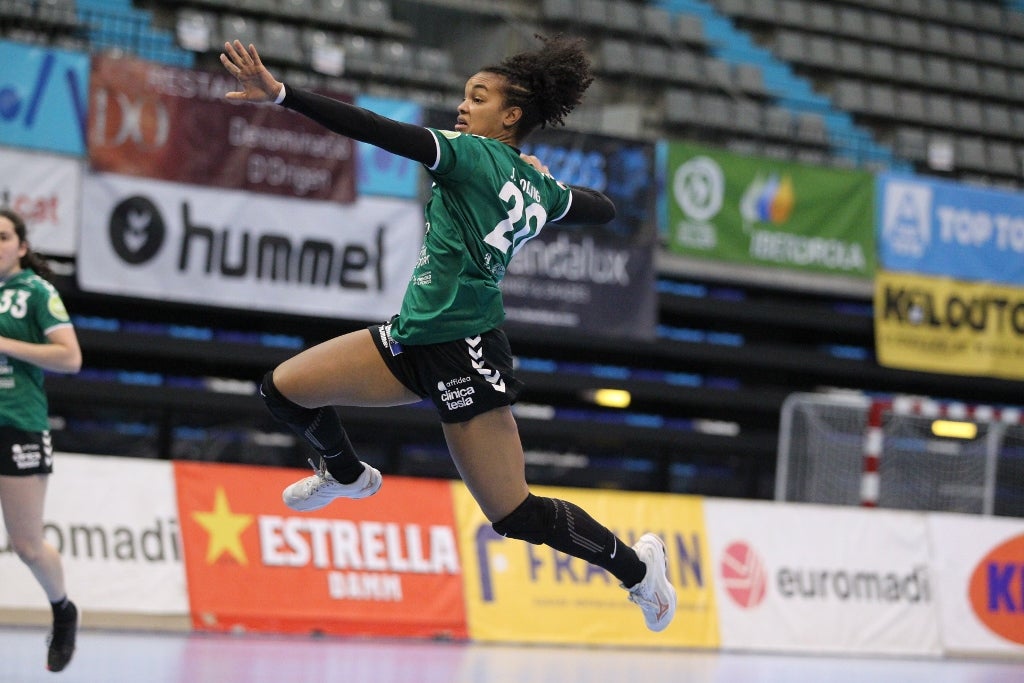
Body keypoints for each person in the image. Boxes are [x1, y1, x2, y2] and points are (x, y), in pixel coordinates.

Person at [220, 35, 677, 632]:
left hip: (466, 352)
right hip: (409, 341)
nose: (463, 107)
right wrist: (541, 180)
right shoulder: (535, 186)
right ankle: (347, 475)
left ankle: (641, 574)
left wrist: (282, 94)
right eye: (465, 96)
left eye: (478, 97)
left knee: (513, 513)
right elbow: (605, 209)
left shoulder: (467, 153)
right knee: (282, 390)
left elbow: (376, 129)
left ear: (510, 116)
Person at [0, 208, 82, 671]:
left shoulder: (34, 291)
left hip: (17, 422)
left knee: (26, 545)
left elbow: (70, 357)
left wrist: (4, 343)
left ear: (22, 247)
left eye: (4, 236)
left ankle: (63, 609)